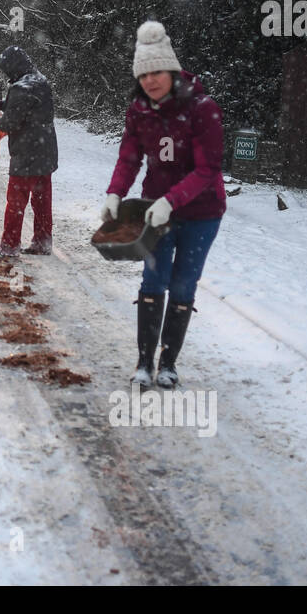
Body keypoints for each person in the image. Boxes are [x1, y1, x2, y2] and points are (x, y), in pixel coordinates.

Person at [104, 21, 226, 389]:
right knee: (153, 278)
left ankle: (168, 363)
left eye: (157, 72)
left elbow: (208, 169)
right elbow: (129, 157)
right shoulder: (139, 111)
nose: (150, 81)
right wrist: (115, 192)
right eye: (143, 75)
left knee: (184, 283)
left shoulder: (202, 109)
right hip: (156, 211)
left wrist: (172, 201)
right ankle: (144, 363)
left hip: (201, 214)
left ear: (171, 70)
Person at [0, 46, 57, 257]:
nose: (6, 74)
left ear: (12, 67)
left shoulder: (20, 88)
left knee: (16, 202)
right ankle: (42, 242)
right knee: (42, 201)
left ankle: (9, 246)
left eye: (7, 69)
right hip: (46, 153)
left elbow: (10, 122)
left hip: (26, 155)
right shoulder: (40, 82)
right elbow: (23, 106)